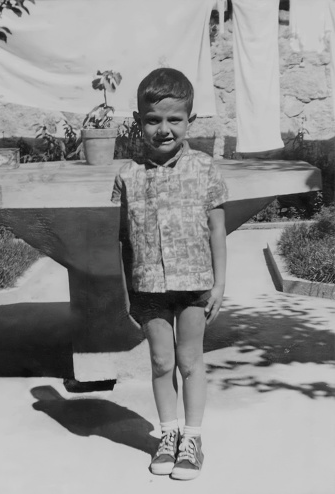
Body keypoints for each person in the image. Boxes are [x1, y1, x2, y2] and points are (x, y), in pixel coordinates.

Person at [111, 68, 228, 480]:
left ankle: (192, 439)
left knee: (190, 359)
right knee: (161, 362)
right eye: (153, 119)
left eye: (174, 119)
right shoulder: (127, 174)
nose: (164, 129)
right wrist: (128, 292)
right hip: (148, 285)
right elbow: (124, 237)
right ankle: (169, 434)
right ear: (138, 119)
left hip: (194, 281)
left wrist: (220, 282)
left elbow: (217, 227)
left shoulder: (204, 168)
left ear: (189, 120)